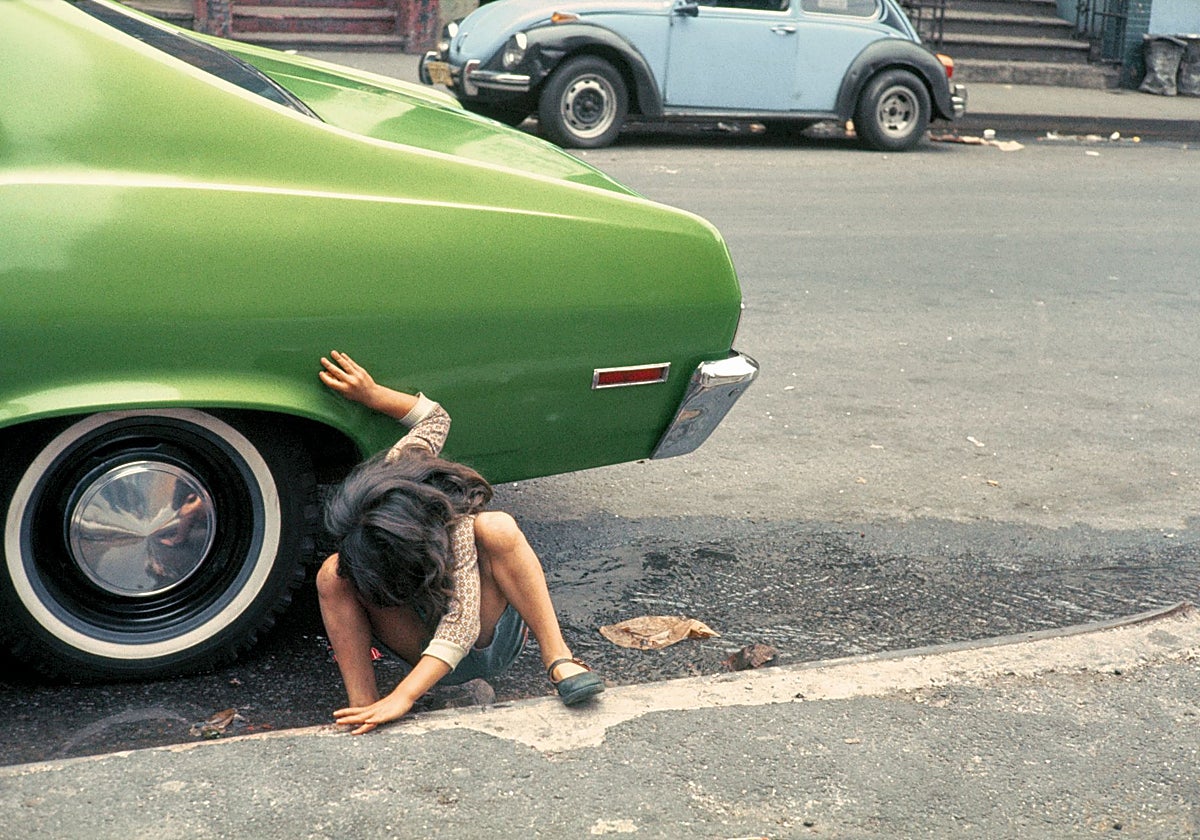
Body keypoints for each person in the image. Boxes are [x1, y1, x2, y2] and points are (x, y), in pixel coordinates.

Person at [315, 350, 605, 734]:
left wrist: (404, 696)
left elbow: (461, 627)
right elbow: (435, 417)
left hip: (481, 646)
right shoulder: (404, 465)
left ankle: (559, 660)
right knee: (332, 573)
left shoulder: (459, 531)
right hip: (415, 641)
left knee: (498, 528)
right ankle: (363, 704)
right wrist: (371, 394)